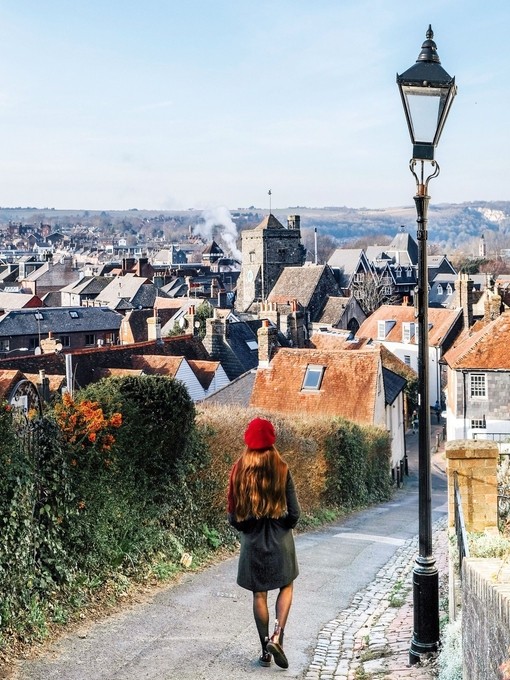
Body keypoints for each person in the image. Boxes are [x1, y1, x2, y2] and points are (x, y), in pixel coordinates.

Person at [227, 417, 300, 669]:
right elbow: (294, 513)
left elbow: (233, 516)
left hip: (253, 542)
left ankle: (265, 651)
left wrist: (248, 527)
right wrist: (281, 528)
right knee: (286, 585)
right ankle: (278, 636)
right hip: (280, 539)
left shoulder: (239, 469)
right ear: (272, 440)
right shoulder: (281, 467)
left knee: (260, 594)